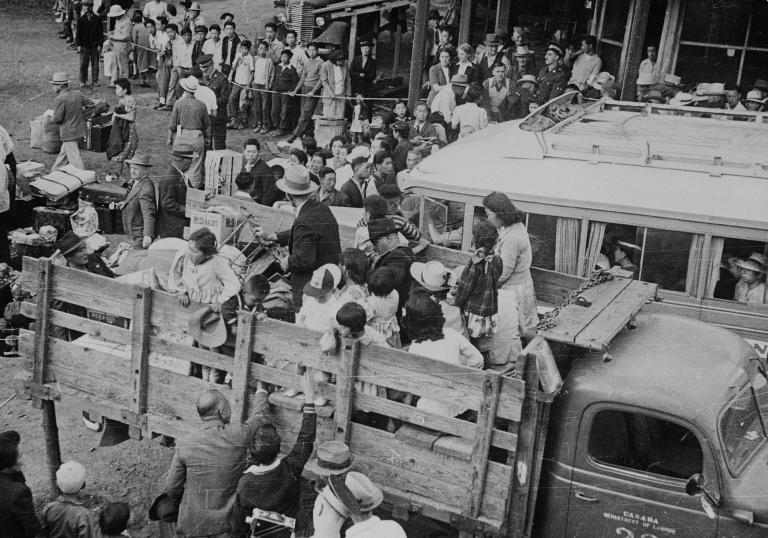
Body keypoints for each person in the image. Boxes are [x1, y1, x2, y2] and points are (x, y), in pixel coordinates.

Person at [161, 387, 270, 538]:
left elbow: (171, 488)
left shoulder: (185, 443)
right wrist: (262, 391)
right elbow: (260, 417)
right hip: (226, 528)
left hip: (192, 527)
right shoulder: (238, 434)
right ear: (222, 410)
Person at [231, 374, 317, 538]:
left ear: (252, 451)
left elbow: (238, 527)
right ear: (278, 449)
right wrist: (309, 397)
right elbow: (306, 438)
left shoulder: (245, 482)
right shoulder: (291, 467)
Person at [260, 164, 342, 308]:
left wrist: (288, 261)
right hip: (327, 278)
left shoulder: (303, 220)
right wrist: (274, 237)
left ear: (287, 195)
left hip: (310, 286)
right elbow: (305, 233)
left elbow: (305, 259)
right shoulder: (320, 208)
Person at [403, 294, 483, 417]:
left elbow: (415, 383)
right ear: (437, 315)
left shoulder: (415, 348)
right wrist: (464, 378)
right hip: (460, 404)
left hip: (431, 408)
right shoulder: (451, 334)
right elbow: (478, 359)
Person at [483, 192, 535, 366]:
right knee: (525, 326)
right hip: (521, 282)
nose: (486, 216)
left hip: (512, 288)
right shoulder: (513, 226)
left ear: (499, 214)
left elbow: (505, 271)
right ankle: (529, 358)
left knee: (520, 328)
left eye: (488, 213)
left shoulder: (512, 238)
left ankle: (528, 361)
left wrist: (490, 286)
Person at [452, 219, 503, 357]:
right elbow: (498, 275)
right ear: (496, 240)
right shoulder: (497, 259)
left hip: (474, 311)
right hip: (490, 310)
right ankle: (486, 366)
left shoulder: (474, 263)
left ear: (475, 240)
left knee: (472, 345)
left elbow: (465, 287)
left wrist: (457, 302)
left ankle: (477, 369)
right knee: (484, 346)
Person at [167, 226, 241, 308]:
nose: (189, 253)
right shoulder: (184, 257)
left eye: (194, 252)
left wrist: (221, 301)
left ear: (207, 255)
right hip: (190, 301)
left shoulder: (216, 263)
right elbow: (175, 274)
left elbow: (233, 284)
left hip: (209, 303)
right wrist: (181, 291)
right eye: (189, 249)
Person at [168, 76, 210, 188]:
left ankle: (178, 189)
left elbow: (173, 124)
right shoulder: (201, 105)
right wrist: (208, 139)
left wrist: (171, 137)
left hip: (181, 135)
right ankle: (193, 191)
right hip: (197, 137)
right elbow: (207, 125)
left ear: (185, 89)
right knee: (196, 166)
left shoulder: (178, 103)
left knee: (179, 165)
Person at [368, 218, 415, 316]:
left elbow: (389, 278)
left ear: (389, 239)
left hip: (394, 310)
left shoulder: (396, 256)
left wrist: (372, 270)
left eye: (375, 243)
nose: (373, 248)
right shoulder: (404, 251)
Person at [0, 430, 43, 538]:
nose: (23, 460)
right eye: (19, 456)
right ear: (8, 463)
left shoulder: (10, 476)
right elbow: (33, 530)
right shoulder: (18, 493)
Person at [41, 461, 96, 538]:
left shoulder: (49, 508)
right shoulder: (83, 515)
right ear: (83, 485)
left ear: (57, 485)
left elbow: (43, 534)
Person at [117, 153, 156, 248]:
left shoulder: (146, 187)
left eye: (136, 169)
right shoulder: (136, 181)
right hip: (133, 232)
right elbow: (133, 197)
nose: (132, 171)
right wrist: (125, 203)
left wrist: (147, 235)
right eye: (131, 168)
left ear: (145, 171)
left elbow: (148, 213)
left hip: (140, 235)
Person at [50, 71, 86, 171]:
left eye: (54, 84)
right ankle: (55, 171)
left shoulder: (60, 98)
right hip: (79, 129)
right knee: (64, 154)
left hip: (68, 133)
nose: (53, 87)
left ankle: (83, 178)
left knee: (75, 161)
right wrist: (83, 115)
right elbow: (91, 105)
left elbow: (58, 118)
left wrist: (51, 118)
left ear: (60, 86)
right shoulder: (78, 93)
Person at [289, 42, 324, 141]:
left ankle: (295, 135)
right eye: (309, 50)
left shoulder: (321, 62)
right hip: (304, 89)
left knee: (306, 113)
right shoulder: (307, 62)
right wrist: (295, 90)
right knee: (304, 113)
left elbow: (321, 80)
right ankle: (309, 134)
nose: (311, 52)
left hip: (313, 91)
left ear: (317, 51)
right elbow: (303, 78)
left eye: (313, 50)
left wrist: (313, 91)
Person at [155, 149, 191, 238]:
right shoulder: (169, 178)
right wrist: (187, 210)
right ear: (182, 161)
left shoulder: (181, 175)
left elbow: (191, 191)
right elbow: (167, 203)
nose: (191, 163)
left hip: (177, 227)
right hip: (172, 229)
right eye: (190, 160)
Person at [197, 54, 231, 150]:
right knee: (206, 145)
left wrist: (209, 102)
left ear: (212, 64)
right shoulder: (205, 77)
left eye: (205, 67)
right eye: (201, 67)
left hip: (218, 118)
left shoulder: (222, 79)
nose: (203, 70)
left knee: (219, 146)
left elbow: (224, 99)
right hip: (206, 118)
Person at [297, 264, 342, 332]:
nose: (317, 299)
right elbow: (301, 317)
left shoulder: (336, 308)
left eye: (322, 296)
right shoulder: (310, 299)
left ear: (333, 291)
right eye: (315, 294)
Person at [366, 267, 401, 347]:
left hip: (378, 330)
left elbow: (367, 317)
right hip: (392, 327)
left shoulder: (371, 302)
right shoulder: (395, 293)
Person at [109, 78, 139, 164]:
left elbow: (131, 117)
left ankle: (130, 175)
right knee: (122, 155)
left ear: (125, 90)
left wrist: (117, 115)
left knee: (125, 155)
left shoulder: (129, 99)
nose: (116, 90)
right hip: (123, 129)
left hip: (129, 131)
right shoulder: (122, 98)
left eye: (118, 88)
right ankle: (117, 174)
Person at [272, 49, 300, 136]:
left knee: (284, 111)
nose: (283, 58)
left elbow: (296, 82)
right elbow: (274, 78)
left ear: (290, 58)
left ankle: (283, 129)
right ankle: (276, 127)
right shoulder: (277, 67)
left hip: (285, 94)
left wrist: (291, 90)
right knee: (275, 110)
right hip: (276, 92)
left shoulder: (292, 69)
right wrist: (274, 87)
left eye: (286, 57)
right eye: (282, 56)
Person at [226, 40, 254, 129]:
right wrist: (230, 75)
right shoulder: (238, 55)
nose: (243, 51)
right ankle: (233, 119)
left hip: (245, 84)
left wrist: (248, 84)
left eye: (245, 49)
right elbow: (233, 68)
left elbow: (252, 72)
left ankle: (242, 122)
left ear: (249, 50)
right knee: (231, 99)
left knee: (243, 103)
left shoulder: (250, 58)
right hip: (237, 82)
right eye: (242, 48)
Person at [75, 0, 102, 88]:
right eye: (86, 6)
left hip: (94, 46)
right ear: (83, 7)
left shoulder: (98, 19)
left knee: (95, 64)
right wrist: (78, 45)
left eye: (90, 6)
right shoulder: (80, 20)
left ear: (92, 7)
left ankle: (95, 80)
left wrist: (99, 44)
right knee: (83, 64)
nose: (88, 7)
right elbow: (78, 34)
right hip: (84, 46)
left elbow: (100, 34)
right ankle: (83, 80)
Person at [251, 40, 276, 134]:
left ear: (267, 50)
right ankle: (259, 123)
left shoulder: (269, 61)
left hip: (264, 86)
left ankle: (266, 125)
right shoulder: (255, 59)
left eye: (264, 49)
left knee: (265, 107)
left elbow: (272, 74)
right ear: (257, 49)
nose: (262, 51)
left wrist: (269, 85)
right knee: (257, 106)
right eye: (260, 48)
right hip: (255, 85)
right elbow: (251, 71)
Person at [320, 50, 349, 120]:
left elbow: (348, 79)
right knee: (329, 117)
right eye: (340, 61)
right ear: (335, 60)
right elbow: (324, 82)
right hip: (330, 96)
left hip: (341, 94)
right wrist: (330, 93)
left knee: (339, 117)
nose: (342, 63)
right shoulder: (325, 65)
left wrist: (348, 93)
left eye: (343, 60)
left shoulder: (345, 64)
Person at [107, 5, 132, 86]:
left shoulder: (127, 22)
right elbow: (118, 30)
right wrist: (112, 32)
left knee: (123, 66)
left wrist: (113, 37)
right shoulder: (118, 20)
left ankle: (123, 84)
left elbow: (126, 36)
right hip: (116, 45)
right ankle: (114, 82)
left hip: (123, 46)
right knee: (114, 64)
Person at [131, 10, 152, 87]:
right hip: (149, 46)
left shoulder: (135, 27)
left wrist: (133, 48)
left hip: (141, 47)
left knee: (140, 63)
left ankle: (142, 81)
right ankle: (148, 80)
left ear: (135, 22)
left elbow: (134, 39)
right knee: (148, 63)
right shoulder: (145, 25)